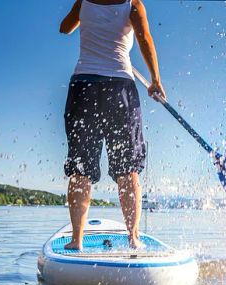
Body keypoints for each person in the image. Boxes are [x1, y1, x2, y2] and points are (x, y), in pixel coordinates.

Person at [59, 0, 165, 250]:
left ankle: (76, 240)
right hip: (119, 89)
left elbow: (65, 28)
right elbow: (144, 40)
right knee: (128, 169)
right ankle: (133, 238)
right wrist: (155, 80)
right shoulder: (133, 4)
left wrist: (85, 16)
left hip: (84, 87)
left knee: (80, 167)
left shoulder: (83, 1)